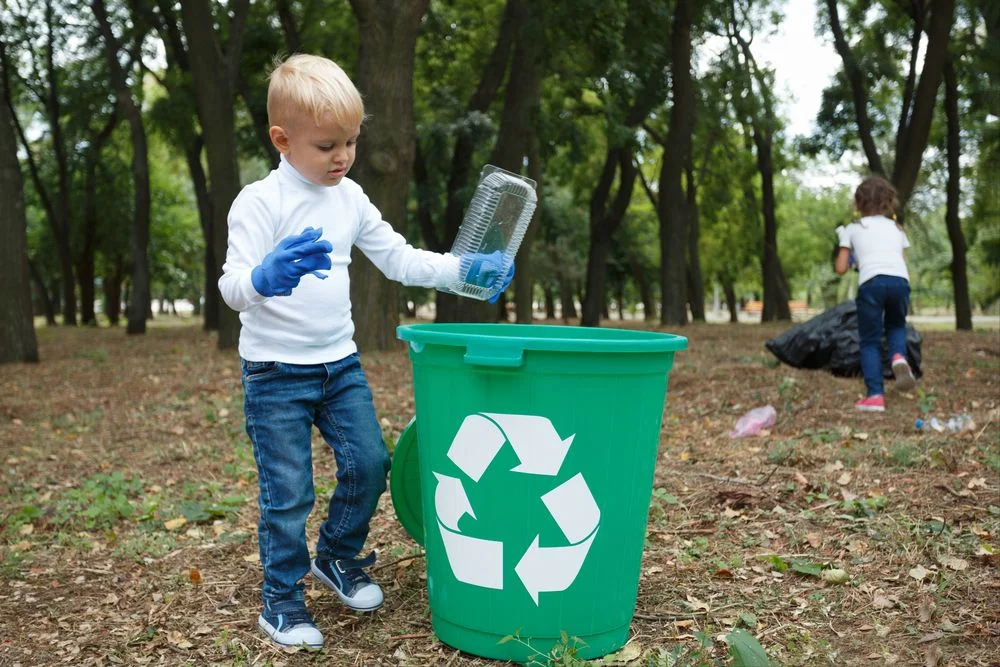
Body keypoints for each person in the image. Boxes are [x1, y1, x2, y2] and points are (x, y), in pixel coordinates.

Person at [218, 54, 512, 650]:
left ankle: (337, 557)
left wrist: (463, 271)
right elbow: (232, 288)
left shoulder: (349, 198)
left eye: (351, 141)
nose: (343, 156)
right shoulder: (259, 202)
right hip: (275, 373)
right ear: (282, 139)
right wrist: (263, 278)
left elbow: (399, 258)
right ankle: (281, 599)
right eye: (328, 145)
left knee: (370, 463)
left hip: (339, 365)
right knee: (289, 490)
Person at [834, 175, 916, 413]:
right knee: (896, 326)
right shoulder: (897, 228)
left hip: (871, 283)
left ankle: (875, 396)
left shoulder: (853, 229)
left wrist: (847, 250)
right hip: (900, 281)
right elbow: (898, 260)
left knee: (870, 340)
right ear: (888, 202)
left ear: (858, 203)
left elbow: (840, 268)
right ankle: (899, 356)